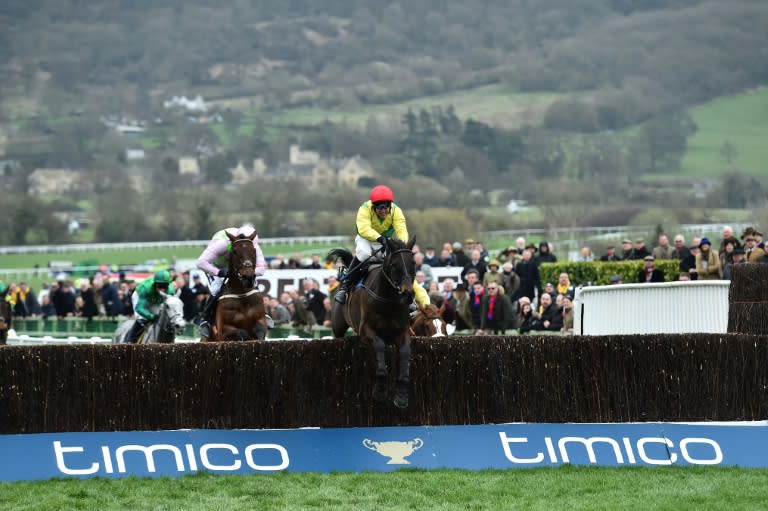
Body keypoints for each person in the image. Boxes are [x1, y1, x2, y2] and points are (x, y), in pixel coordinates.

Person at [334, 184, 430, 310]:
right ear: (374, 207)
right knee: (363, 254)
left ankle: (409, 296)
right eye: (380, 209)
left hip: (386, 241)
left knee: (398, 263)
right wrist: (380, 239)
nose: (383, 212)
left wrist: (401, 247)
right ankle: (345, 287)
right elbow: (363, 228)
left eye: (386, 208)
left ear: (390, 205)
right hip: (366, 238)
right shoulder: (364, 208)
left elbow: (401, 230)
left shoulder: (396, 211)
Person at [196, 223, 267, 338]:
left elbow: (261, 269)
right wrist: (219, 272)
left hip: (240, 266)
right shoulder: (223, 243)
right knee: (216, 288)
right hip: (216, 265)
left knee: (252, 284)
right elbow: (201, 262)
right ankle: (206, 321)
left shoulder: (253, 244)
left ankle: (264, 314)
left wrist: (248, 273)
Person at [124, 270, 176, 344]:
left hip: (155, 299)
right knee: (142, 319)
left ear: (168, 285)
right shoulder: (145, 288)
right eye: (159, 286)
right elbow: (139, 308)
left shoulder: (170, 291)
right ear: (155, 284)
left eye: (164, 286)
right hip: (141, 298)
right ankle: (129, 342)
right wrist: (151, 316)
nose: (162, 289)